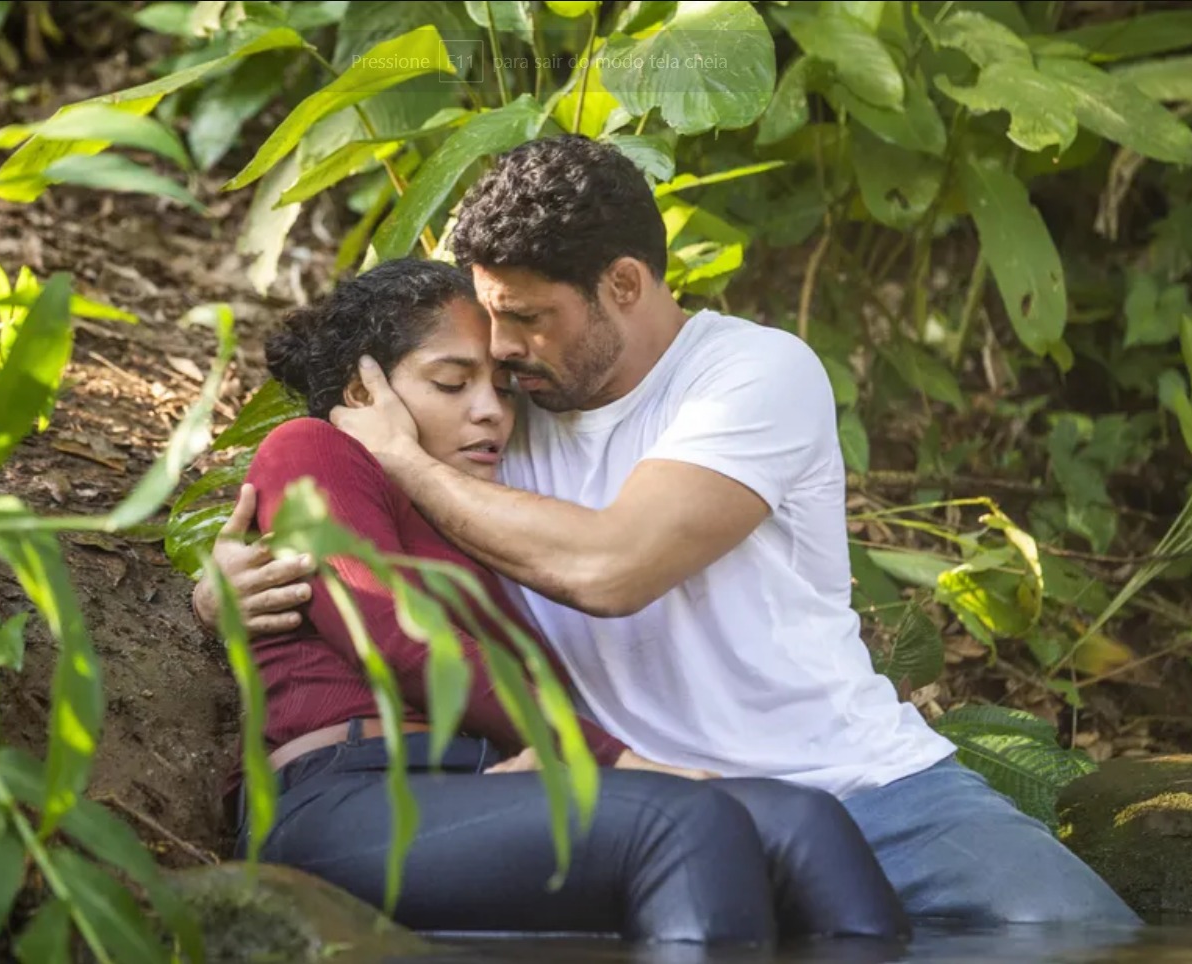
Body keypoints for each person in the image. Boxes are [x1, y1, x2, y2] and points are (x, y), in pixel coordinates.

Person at [196, 136, 1140, 927]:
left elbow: (611, 567)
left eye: (527, 320)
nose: (504, 357)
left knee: (1081, 937)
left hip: (857, 783)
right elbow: (356, 533)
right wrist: (225, 585)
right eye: (488, 329)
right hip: (640, 800)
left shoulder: (750, 375)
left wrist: (402, 459)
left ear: (623, 284)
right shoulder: (494, 424)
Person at [218, 257, 910, 944]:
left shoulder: (474, 514)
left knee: (801, 823)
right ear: (364, 393)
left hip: (477, 784)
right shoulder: (307, 451)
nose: (488, 409)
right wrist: (612, 759)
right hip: (343, 793)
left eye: (500, 386)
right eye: (452, 382)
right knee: (683, 822)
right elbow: (396, 636)